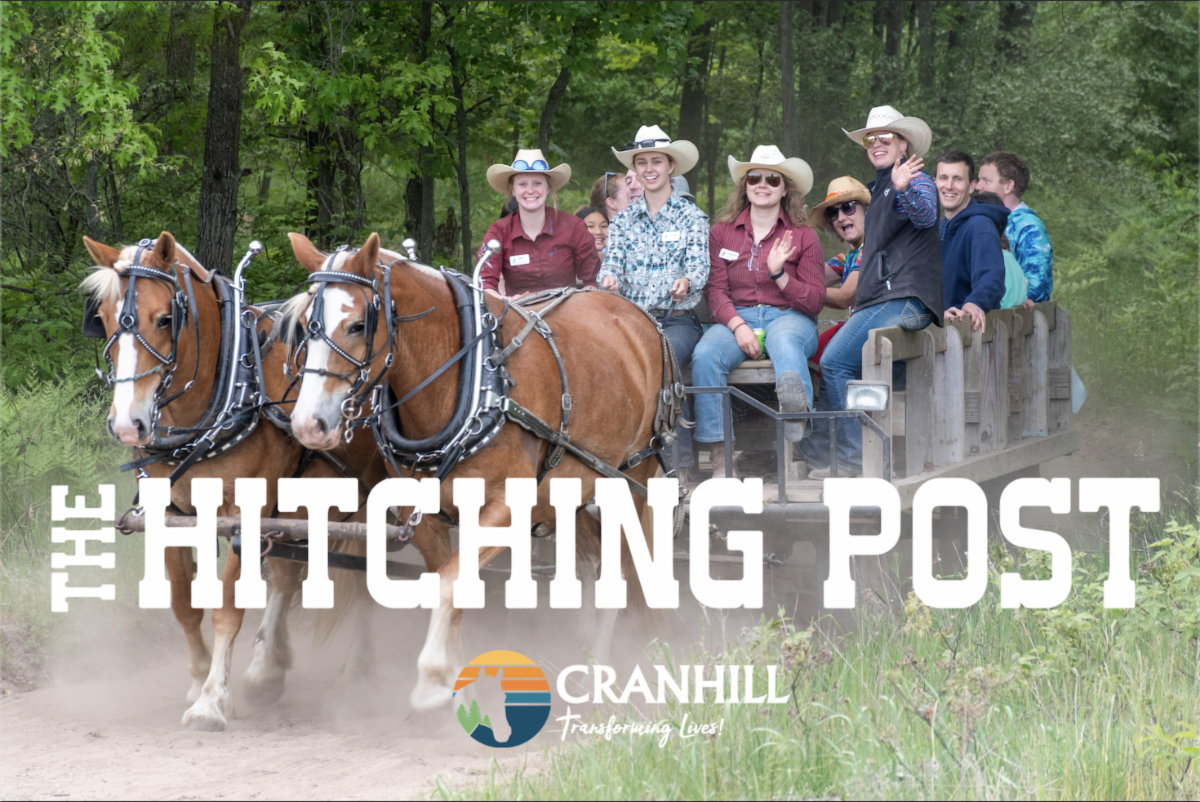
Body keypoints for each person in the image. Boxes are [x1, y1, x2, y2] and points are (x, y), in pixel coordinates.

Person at [800, 105, 940, 479]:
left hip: (906, 299)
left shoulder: (915, 178)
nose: (876, 144)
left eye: (885, 138)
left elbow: (926, 215)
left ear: (903, 143)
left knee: (833, 361)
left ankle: (854, 463)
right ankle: (826, 456)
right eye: (870, 140)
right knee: (832, 361)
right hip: (881, 302)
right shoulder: (878, 188)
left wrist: (903, 188)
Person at [692, 146, 823, 478]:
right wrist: (737, 326)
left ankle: (795, 423)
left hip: (789, 317)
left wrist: (779, 274)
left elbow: (814, 302)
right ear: (745, 185)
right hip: (738, 317)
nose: (762, 184)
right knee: (706, 355)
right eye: (754, 177)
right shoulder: (721, 232)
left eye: (772, 179)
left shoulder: (804, 235)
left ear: (785, 188)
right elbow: (715, 290)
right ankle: (722, 461)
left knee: (785, 344)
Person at [598, 124, 707, 478]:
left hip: (676, 320)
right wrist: (609, 278)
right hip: (631, 320)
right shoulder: (622, 221)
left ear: (671, 166)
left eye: (656, 161)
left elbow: (699, 267)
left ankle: (676, 467)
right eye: (642, 162)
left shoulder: (691, 216)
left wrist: (687, 281)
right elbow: (611, 261)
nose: (649, 169)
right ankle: (611, 460)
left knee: (662, 361)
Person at [478, 148, 600, 296]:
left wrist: (585, 298)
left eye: (537, 183)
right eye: (522, 184)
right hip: (516, 310)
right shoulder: (498, 231)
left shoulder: (574, 227)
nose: (530, 190)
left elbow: (592, 282)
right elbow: (484, 283)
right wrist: (505, 302)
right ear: (512, 189)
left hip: (567, 308)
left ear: (548, 187)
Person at [935, 150, 1006, 330]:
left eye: (958, 179)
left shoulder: (980, 226)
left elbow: (991, 276)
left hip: (968, 332)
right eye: (943, 178)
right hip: (941, 330)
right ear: (935, 182)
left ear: (972, 186)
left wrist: (975, 302)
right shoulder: (938, 227)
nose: (949, 186)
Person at [977, 151, 1053, 302]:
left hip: (1017, 314)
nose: (978, 186)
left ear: (1008, 186)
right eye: (979, 180)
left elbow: (1036, 288)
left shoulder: (1029, 227)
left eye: (986, 180)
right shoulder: (983, 221)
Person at [973, 191, 1029, 309]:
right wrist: (1023, 299)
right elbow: (1024, 283)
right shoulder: (1010, 257)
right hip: (1013, 316)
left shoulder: (987, 259)